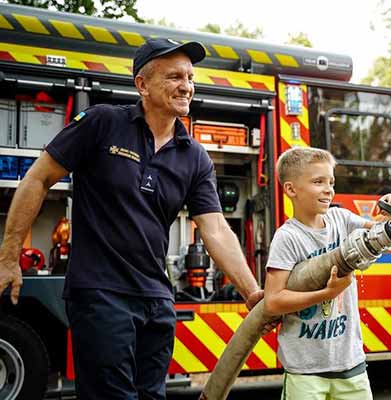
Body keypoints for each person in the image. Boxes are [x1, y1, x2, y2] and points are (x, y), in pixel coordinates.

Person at [0, 38, 264, 399]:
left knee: (151, 396)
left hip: (157, 298)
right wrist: (8, 257)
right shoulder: (102, 123)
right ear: (142, 84)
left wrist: (251, 291)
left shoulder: (194, 156)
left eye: (190, 76)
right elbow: (38, 178)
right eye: (174, 76)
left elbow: (215, 228)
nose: (186, 85)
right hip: (100, 292)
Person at [264, 147, 391, 400]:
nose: (329, 189)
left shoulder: (341, 218)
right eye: (318, 182)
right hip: (305, 371)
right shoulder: (287, 238)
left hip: (350, 364)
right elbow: (273, 301)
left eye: (331, 182)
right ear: (291, 190)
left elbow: (379, 231)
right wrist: (327, 293)